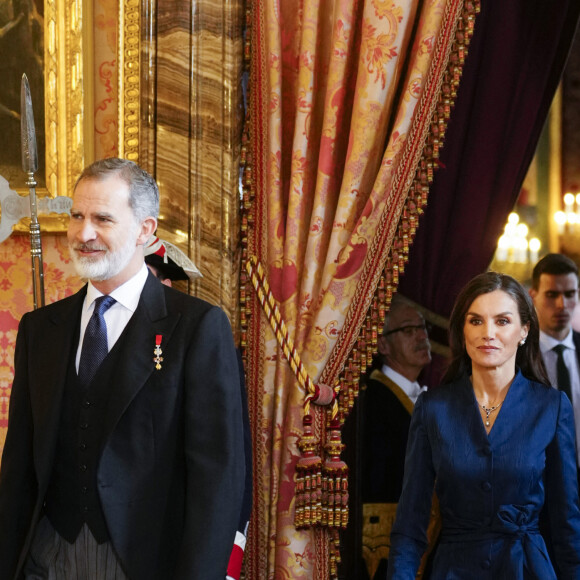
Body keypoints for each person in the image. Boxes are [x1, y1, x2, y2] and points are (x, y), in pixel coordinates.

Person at [0, 158, 246, 579]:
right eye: (77, 216)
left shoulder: (197, 327)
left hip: (145, 561)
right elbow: (19, 464)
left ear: (145, 231)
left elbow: (218, 477)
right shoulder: (41, 328)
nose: (84, 233)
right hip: (45, 557)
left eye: (103, 219)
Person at [387, 271, 580, 579]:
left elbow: (567, 523)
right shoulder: (433, 409)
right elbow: (410, 523)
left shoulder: (552, 408)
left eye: (502, 321)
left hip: (527, 569)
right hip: (454, 570)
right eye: (475, 321)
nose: (487, 332)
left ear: (524, 330)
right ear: (462, 331)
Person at [143, 234, 252, 580]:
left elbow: (228, 457)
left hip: (181, 527)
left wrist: (228, 544)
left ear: (166, 283)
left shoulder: (202, 338)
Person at [360, 295, 434, 579]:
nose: (421, 336)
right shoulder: (373, 399)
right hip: (388, 542)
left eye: (422, 327)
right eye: (407, 330)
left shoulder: (429, 396)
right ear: (382, 345)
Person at [529, 253, 580, 467]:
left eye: (570, 294)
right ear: (533, 296)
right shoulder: (518, 356)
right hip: (537, 478)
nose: (562, 304)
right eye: (552, 294)